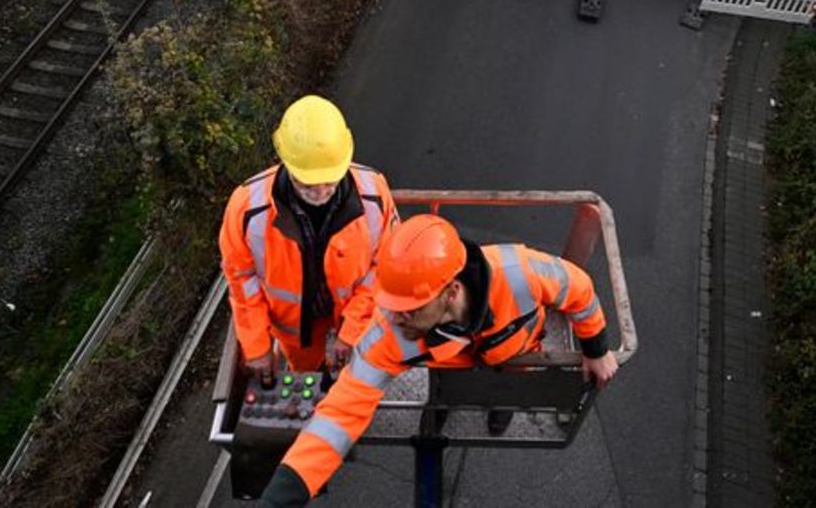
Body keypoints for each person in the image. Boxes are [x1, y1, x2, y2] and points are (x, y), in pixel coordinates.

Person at [259, 215, 619, 506]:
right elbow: (341, 412)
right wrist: (286, 491)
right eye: (392, 305)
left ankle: (501, 404)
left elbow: (580, 291)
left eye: (409, 309)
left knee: (506, 389)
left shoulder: (521, 273)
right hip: (450, 370)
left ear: (451, 292)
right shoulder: (392, 332)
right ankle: (444, 404)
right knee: (445, 392)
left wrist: (596, 349)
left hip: (516, 353)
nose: (397, 318)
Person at [220, 95, 400, 376]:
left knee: (358, 375)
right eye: (307, 183)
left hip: (358, 317)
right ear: (285, 163)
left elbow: (384, 268)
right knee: (307, 378)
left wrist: (350, 333)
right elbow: (242, 281)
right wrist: (257, 348)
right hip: (297, 332)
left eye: (329, 180)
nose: (320, 192)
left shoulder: (374, 194)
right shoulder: (246, 209)